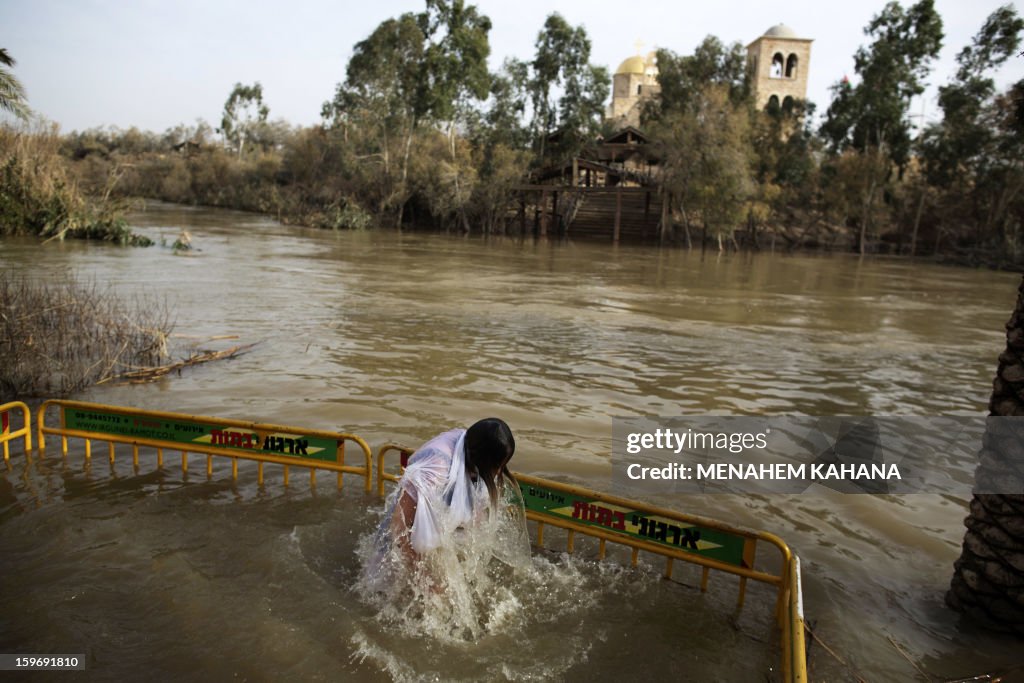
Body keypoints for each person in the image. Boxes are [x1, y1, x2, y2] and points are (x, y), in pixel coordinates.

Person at [362, 417, 530, 592]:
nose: (500, 472)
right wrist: (422, 575)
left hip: (437, 529)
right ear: (480, 458)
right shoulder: (437, 466)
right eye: (497, 466)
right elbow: (398, 525)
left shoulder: (470, 447)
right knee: (390, 592)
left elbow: (475, 515)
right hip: (400, 542)